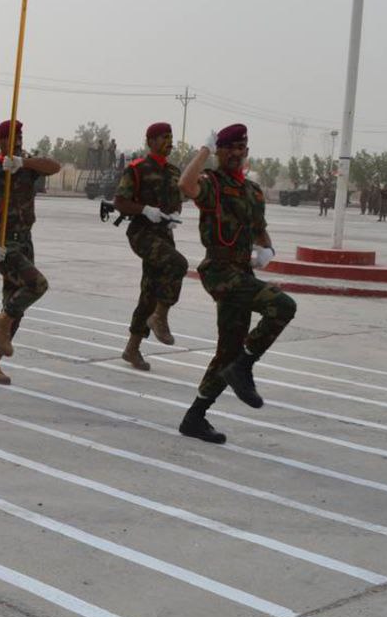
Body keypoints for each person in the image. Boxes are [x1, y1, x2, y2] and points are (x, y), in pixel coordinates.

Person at [176, 123, 297, 445]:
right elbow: (185, 185)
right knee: (283, 305)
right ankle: (244, 367)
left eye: (240, 147)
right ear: (218, 151)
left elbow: (259, 229)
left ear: (246, 151)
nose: (234, 153)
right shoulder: (212, 183)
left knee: (228, 350)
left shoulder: (253, 191)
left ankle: (195, 417)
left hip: (243, 272)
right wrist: (203, 149)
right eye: (228, 147)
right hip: (219, 271)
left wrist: (267, 250)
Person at [0, 120, 61, 385]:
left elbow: (54, 166)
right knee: (37, 284)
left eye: (19, 136)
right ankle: (1, 322)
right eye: (11, 137)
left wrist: (22, 162)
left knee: (15, 306)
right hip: (1, 245)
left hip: (25, 241)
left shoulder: (27, 166)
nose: (17, 141)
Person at [112, 122, 186, 371]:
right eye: (164, 137)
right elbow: (120, 202)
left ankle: (132, 349)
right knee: (178, 263)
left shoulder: (174, 172)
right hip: (142, 232)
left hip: (164, 234)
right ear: (150, 141)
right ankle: (160, 317)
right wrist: (144, 209)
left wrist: (174, 215)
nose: (169, 141)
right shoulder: (137, 169)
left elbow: (177, 199)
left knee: (150, 291)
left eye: (170, 137)